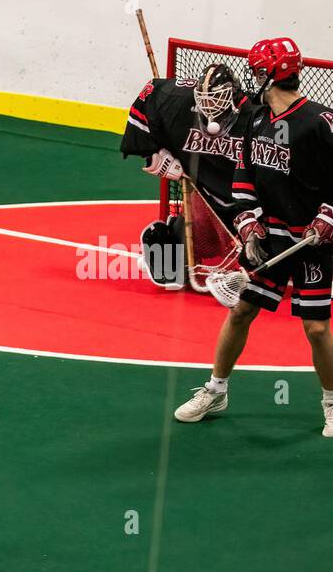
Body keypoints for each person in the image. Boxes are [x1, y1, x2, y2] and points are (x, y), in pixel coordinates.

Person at [174, 38, 333, 436]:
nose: (254, 78)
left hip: (314, 241)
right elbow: (243, 178)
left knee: (315, 327)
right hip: (273, 238)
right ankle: (216, 390)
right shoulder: (257, 120)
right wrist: (248, 227)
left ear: (271, 74)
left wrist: (327, 216)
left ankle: (332, 402)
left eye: (258, 71)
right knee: (242, 310)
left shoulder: (318, 121)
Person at [121, 64, 253, 286]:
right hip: (205, 191)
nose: (209, 106)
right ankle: (168, 252)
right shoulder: (176, 98)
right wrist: (156, 155)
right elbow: (151, 92)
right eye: (205, 99)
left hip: (242, 197)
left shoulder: (253, 114)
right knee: (202, 231)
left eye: (216, 99)